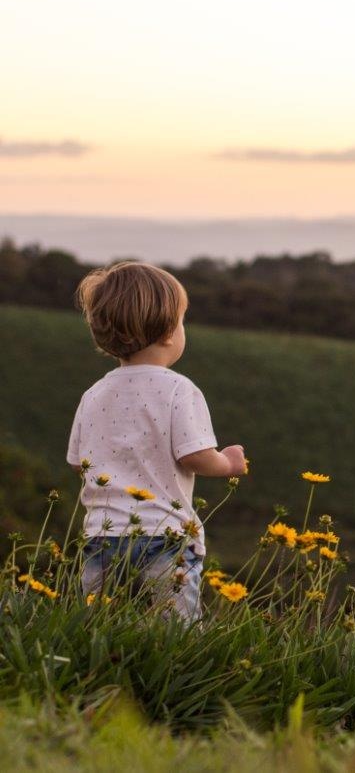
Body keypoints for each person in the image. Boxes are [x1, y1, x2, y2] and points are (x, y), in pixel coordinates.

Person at [67, 261, 247, 620]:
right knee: (174, 632)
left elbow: (78, 463)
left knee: (96, 626)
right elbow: (195, 455)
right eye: (182, 320)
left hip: (102, 535)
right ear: (168, 333)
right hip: (164, 536)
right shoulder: (179, 388)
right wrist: (228, 463)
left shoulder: (94, 393)